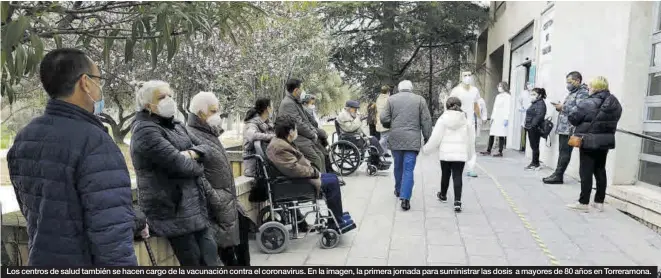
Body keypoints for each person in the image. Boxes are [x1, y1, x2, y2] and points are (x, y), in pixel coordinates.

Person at [6, 48, 145, 266]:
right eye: (99, 79)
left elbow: (30, 208)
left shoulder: (25, 136)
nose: (101, 88)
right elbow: (111, 236)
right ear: (85, 83)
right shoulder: (94, 142)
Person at [130, 80, 221, 266]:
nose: (168, 100)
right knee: (195, 263)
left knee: (213, 260)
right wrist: (196, 163)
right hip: (172, 211)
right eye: (162, 97)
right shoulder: (145, 131)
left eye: (169, 95)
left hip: (194, 207)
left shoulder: (177, 125)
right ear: (148, 105)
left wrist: (190, 153)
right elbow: (181, 166)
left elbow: (208, 149)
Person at [187, 92, 252, 266]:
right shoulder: (191, 135)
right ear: (201, 113)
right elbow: (196, 174)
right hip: (217, 212)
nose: (218, 115)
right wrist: (216, 199)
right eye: (214, 111)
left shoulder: (209, 134)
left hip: (228, 208)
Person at [266, 115, 356, 232]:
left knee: (333, 177)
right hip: (295, 182)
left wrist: (313, 170)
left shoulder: (281, 143)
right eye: (296, 129)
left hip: (299, 178)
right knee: (332, 182)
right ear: (290, 131)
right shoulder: (280, 147)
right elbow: (293, 169)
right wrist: (313, 172)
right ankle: (336, 222)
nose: (297, 132)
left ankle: (336, 217)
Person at [566, 76, 622, 212]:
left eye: (590, 86)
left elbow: (573, 118)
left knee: (586, 172)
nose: (589, 88)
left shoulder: (588, 102)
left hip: (588, 140)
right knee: (600, 170)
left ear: (595, 87)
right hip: (605, 141)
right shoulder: (615, 102)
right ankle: (599, 202)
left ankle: (583, 203)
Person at [380, 80, 432, 211]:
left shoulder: (391, 100)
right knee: (408, 169)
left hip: (396, 138)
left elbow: (384, 118)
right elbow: (426, 120)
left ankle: (398, 190)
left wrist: (392, 125)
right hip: (412, 139)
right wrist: (427, 137)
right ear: (411, 88)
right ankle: (405, 199)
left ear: (399, 88)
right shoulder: (420, 100)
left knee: (398, 165)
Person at [422, 97, 476, 212]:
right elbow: (471, 140)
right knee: (457, 176)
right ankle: (457, 201)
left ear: (447, 106)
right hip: (460, 153)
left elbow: (436, 138)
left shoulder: (443, 119)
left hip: (445, 153)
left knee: (445, 174)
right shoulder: (466, 120)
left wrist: (426, 149)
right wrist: (470, 154)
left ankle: (443, 195)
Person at [543, 71, 590, 184]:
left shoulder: (582, 93)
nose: (567, 84)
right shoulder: (573, 92)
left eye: (569, 82)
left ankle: (558, 176)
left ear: (577, 80)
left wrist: (562, 107)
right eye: (567, 82)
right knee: (562, 152)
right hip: (565, 128)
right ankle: (557, 174)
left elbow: (580, 110)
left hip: (570, 129)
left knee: (565, 153)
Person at [277, 79, 325, 173]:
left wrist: (313, 131)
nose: (303, 91)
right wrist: (312, 134)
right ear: (296, 90)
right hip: (297, 138)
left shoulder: (294, 101)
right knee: (316, 159)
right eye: (301, 89)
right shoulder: (288, 103)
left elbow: (305, 121)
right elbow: (299, 124)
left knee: (321, 155)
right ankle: (319, 184)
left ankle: (325, 181)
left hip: (303, 136)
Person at [450, 71, 481, 177]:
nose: (467, 77)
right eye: (465, 75)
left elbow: (476, 105)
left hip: (470, 122)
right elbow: (450, 104)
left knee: (471, 145)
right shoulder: (456, 90)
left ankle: (471, 168)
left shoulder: (475, 90)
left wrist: (480, 118)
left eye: (469, 75)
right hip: (459, 122)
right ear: (461, 77)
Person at [243, 98, 275, 177]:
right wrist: (272, 137)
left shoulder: (267, 123)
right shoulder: (252, 123)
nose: (273, 109)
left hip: (264, 166)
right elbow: (252, 135)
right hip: (255, 168)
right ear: (267, 108)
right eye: (272, 106)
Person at [481, 81, 512, 157]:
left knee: (501, 134)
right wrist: (492, 117)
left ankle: (500, 151)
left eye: (500, 86)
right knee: (492, 134)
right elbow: (495, 108)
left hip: (502, 117)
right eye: (498, 86)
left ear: (504, 87)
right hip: (496, 117)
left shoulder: (508, 96)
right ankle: (488, 150)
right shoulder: (498, 96)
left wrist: (506, 118)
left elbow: (507, 108)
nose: (499, 88)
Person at [524, 88, 548, 170]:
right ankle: (534, 162)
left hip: (534, 128)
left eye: (534, 94)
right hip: (530, 127)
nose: (532, 96)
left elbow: (539, 116)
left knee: (535, 146)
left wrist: (532, 126)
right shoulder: (535, 103)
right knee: (533, 146)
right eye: (531, 94)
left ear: (539, 95)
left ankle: (535, 163)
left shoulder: (540, 104)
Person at [375, 85, 391, 157]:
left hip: (379, 119)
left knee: (383, 136)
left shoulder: (378, 98)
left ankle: (385, 152)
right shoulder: (388, 99)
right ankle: (377, 147)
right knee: (385, 137)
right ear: (388, 91)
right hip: (386, 120)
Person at [517, 82, 533, 152]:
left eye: (531, 84)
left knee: (531, 131)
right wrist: (521, 108)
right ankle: (523, 146)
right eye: (528, 84)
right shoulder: (523, 93)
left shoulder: (535, 92)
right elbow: (519, 101)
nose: (529, 86)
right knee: (524, 130)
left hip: (532, 114)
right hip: (525, 113)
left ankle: (529, 148)